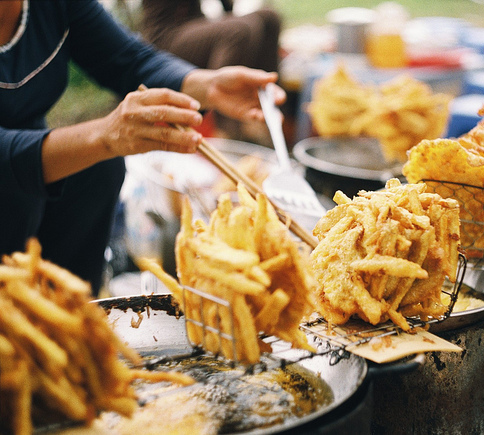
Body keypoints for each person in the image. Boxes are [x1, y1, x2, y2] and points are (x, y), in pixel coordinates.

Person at [0, 0, 286, 296]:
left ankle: (68, 317)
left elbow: (128, 59)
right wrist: (103, 135)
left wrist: (207, 86)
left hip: (29, 172)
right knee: (90, 156)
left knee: (96, 165)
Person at [140, 0, 282, 139]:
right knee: (239, 30)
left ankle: (268, 120)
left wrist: (228, 11)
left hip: (194, 22)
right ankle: (225, 132)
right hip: (165, 34)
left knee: (269, 18)